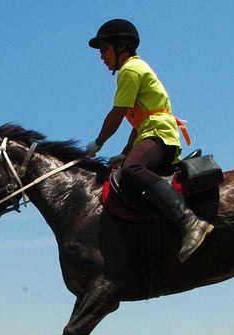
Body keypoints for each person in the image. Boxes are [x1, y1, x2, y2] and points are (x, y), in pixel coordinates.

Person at [85, 19, 213, 262]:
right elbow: (138, 122)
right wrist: (125, 151)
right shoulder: (133, 69)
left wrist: (98, 142)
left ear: (121, 46)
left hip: (160, 134)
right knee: (126, 167)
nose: (101, 56)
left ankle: (189, 221)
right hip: (151, 132)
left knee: (132, 169)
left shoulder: (130, 70)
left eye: (104, 49)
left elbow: (118, 113)